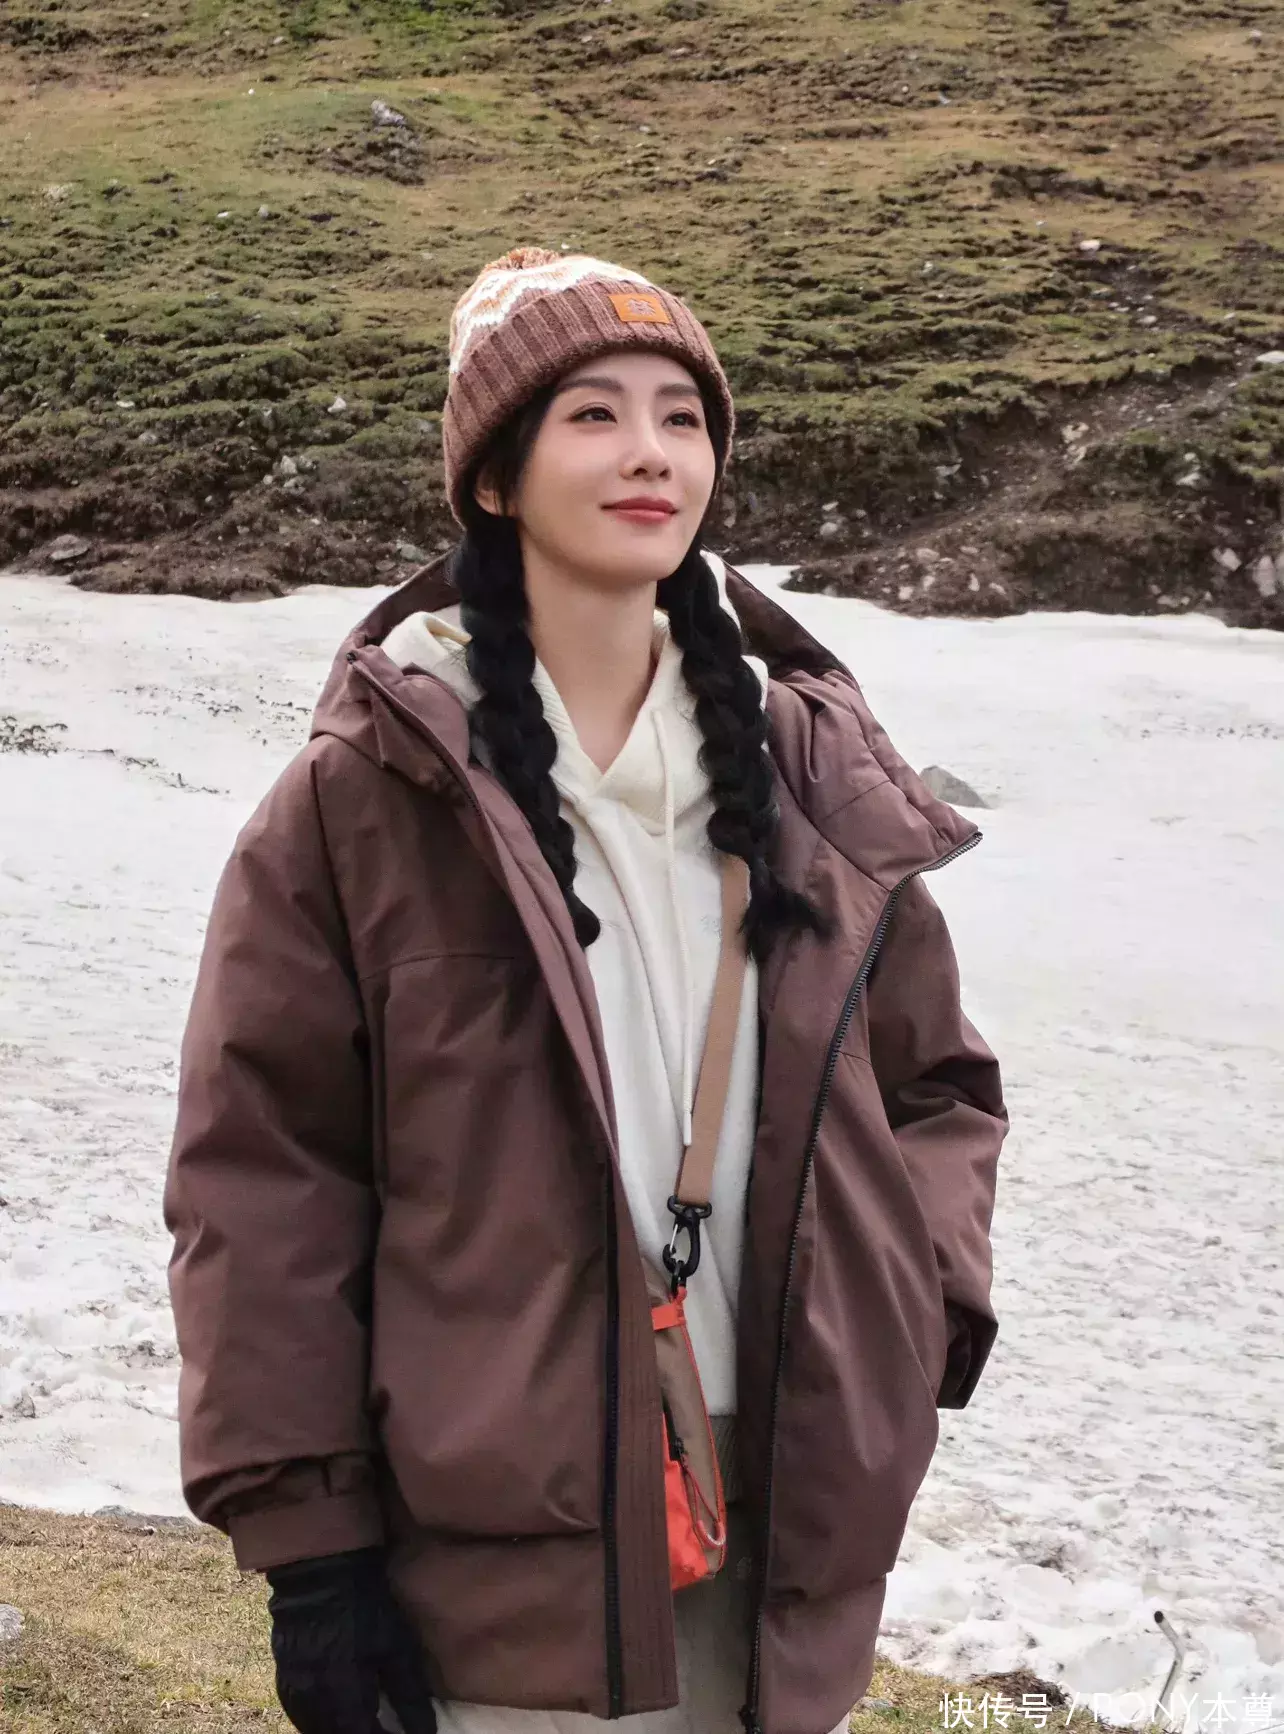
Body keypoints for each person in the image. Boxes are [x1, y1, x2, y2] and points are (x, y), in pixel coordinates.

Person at [165, 247, 1007, 1734]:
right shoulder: (367, 796)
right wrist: (313, 1547)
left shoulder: (808, 774)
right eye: (594, 415)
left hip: (791, 1511)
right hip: (499, 1536)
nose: (650, 454)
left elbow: (935, 1084)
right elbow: (265, 1173)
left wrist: (908, 1314)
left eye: (682, 418)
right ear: (494, 480)